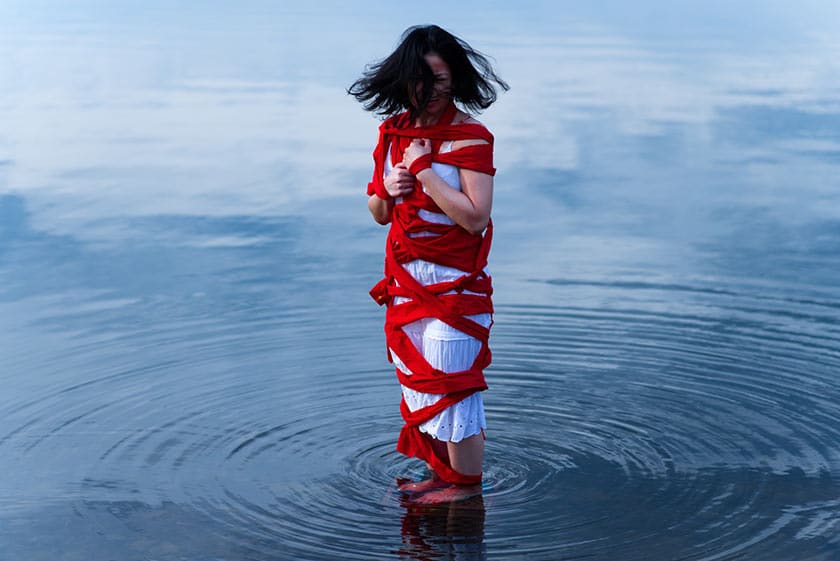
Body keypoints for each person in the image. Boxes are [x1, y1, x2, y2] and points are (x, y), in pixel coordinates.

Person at [349, 25, 508, 504]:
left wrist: (421, 172)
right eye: (422, 79)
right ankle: (444, 479)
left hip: (454, 290)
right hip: (406, 287)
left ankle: (464, 491)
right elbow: (379, 214)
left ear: (455, 79)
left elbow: (474, 219)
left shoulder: (470, 138)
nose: (432, 90)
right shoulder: (393, 133)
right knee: (423, 391)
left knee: (454, 390)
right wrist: (390, 189)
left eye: (441, 79)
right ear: (404, 80)